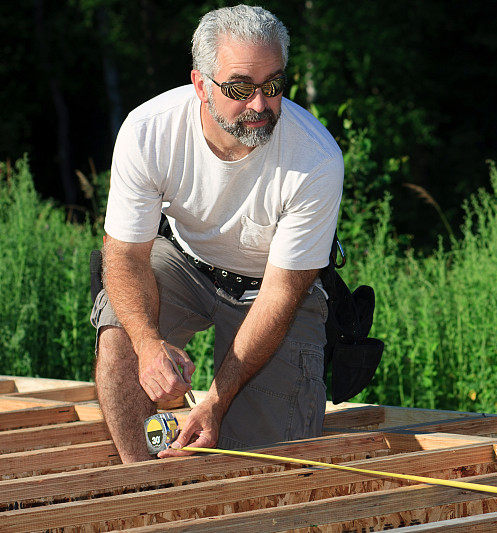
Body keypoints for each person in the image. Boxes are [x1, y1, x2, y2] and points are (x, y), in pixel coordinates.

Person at [91, 4, 343, 463]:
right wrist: (148, 347)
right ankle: (142, 485)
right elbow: (125, 255)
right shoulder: (149, 131)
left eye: (272, 85)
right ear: (201, 84)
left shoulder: (316, 159)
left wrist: (217, 398)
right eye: (240, 87)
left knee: (267, 458)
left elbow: (281, 294)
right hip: (186, 263)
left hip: (267, 288)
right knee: (121, 341)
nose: (260, 104)